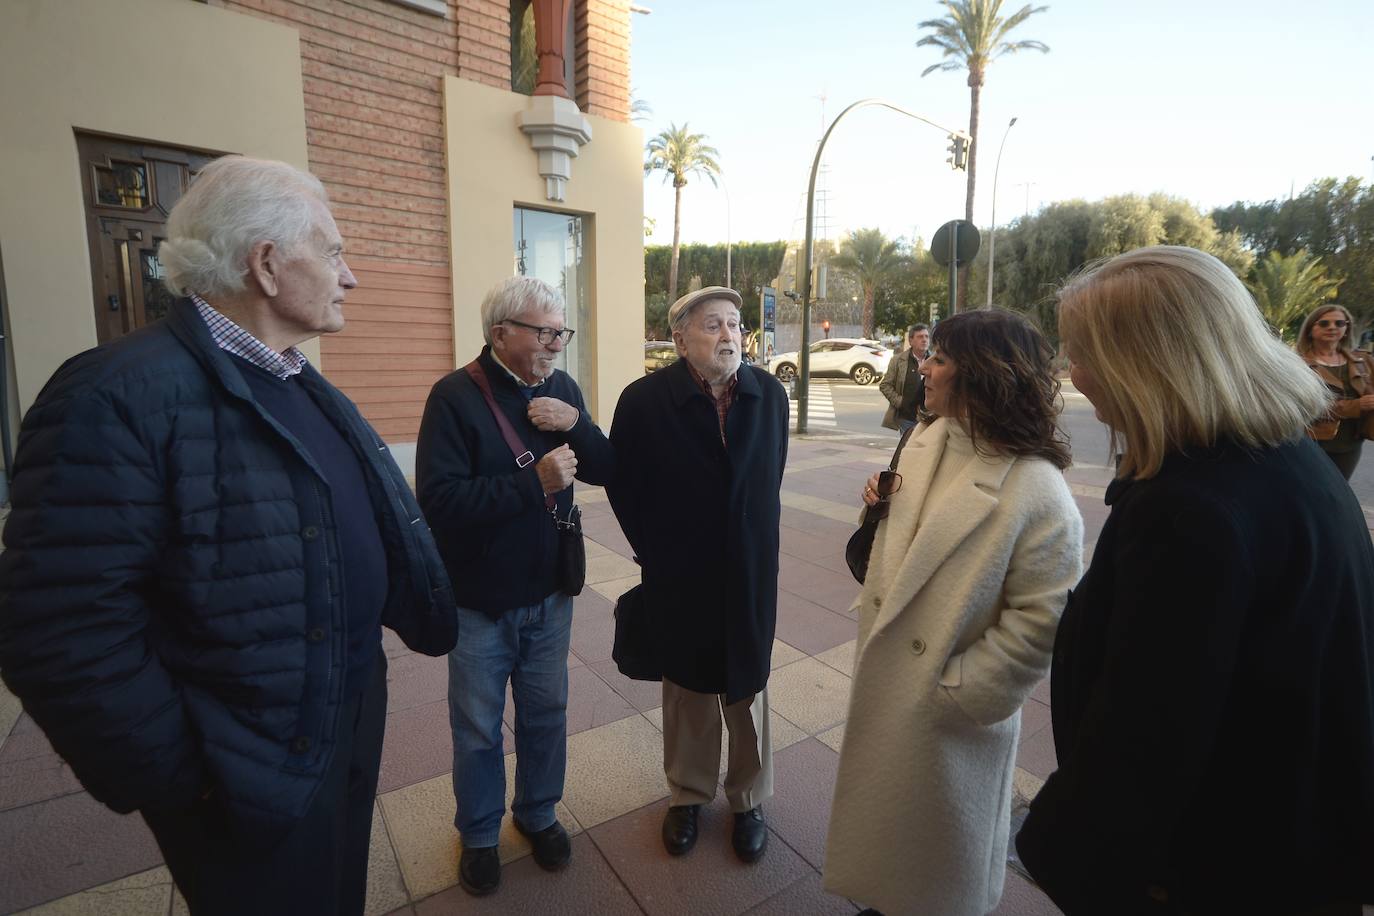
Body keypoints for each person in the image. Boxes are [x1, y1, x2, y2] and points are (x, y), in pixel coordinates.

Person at [0, 156, 457, 916]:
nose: (351, 277)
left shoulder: (294, 377)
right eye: (335, 252)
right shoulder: (115, 394)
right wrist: (188, 778)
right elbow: (57, 630)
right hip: (240, 764)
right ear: (268, 265)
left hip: (335, 719)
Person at [1017, 246, 1374, 914]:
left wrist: (1064, 850)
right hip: (1293, 849)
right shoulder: (1283, 458)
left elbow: (1150, 732)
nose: (1075, 374)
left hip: (1214, 866)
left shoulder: (1191, 509)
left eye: (1081, 353)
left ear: (1146, 364)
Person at [823, 309, 1083, 916]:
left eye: (939, 357)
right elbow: (910, 552)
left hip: (950, 707)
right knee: (889, 835)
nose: (924, 365)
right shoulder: (923, 439)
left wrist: (961, 693)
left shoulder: (1037, 489)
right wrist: (878, 506)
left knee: (937, 862)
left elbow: (1042, 620)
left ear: (983, 374)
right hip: (896, 682)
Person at [415, 276, 614, 897]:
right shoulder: (454, 397)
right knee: (477, 725)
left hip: (550, 592)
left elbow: (607, 468)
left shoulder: (561, 390)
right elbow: (439, 501)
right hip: (479, 600)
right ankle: (478, 834)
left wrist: (575, 421)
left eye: (562, 332)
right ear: (500, 333)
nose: (557, 344)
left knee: (546, 712)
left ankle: (538, 814)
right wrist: (536, 482)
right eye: (545, 332)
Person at [606, 286, 787, 864]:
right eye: (713, 325)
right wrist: (653, 548)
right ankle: (687, 796)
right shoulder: (642, 400)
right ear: (680, 338)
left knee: (747, 684)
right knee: (686, 686)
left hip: (749, 572)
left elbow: (769, 478)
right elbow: (623, 482)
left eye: (734, 324)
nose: (729, 335)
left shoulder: (769, 395)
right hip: (678, 570)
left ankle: (748, 799)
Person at [1294, 303, 1373, 480]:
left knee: (1339, 491)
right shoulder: (1296, 363)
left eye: (1339, 323)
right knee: (1310, 490)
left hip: (1350, 444)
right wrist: (1356, 406)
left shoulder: (1363, 361)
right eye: (1324, 323)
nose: (1332, 327)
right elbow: (1301, 406)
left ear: (1346, 329)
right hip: (1309, 442)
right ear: (1310, 329)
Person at [878, 323, 930, 434]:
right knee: (908, 448)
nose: (924, 340)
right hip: (907, 418)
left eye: (926, 336)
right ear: (911, 341)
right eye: (920, 337)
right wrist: (900, 402)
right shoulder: (898, 360)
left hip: (929, 418)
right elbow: (885, 385)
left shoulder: (935, 361)